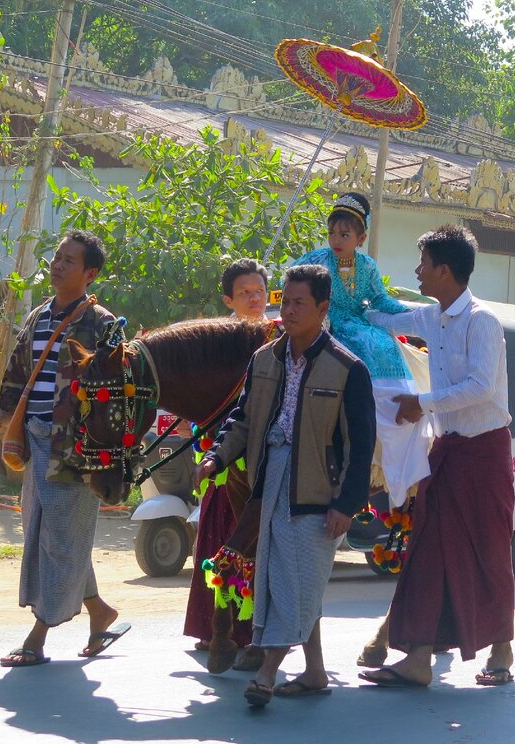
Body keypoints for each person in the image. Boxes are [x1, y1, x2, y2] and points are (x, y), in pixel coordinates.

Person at [196, 264, 375, 706]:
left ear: (323, 308)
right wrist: (217, 455)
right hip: (266, 482)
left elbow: (361, 444)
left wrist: (347, 503)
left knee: (294, 579)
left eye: (299, 303)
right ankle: (314, 672)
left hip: (317, 493)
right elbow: (242, 419)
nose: (288, 311)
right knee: (285, 578)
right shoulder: (264, 360)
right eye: (285, 301)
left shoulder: (348, 369)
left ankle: (267, 672)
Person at [358, 224, 515, 688]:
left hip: (485, 451)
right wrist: (348, 300)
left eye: (423, 264)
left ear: (444, 271)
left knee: (489, 551)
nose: (417, 271)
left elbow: (480, 388)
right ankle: (419, 656)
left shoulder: (482, 321)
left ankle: (501, 651)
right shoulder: (432, 316)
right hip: (445, 450)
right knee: (426, 547)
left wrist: (420, 403)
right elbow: (387, 321)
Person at [0, 231, 130, 666]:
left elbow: (116, 397)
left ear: (90, 273)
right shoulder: (39, 316)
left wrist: (109, 459)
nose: (57, 265)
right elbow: (14, 382)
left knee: (58, 538)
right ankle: (100, 612)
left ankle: (38, 635)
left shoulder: (103, 325)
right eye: (57, 257)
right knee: (50, 533)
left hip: (76, 450)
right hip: (33, 440)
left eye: (68, 260)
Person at [294, 192, 431, 508]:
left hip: (357, 324)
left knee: (380, 342)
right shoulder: (315, 261)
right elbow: (293, 282)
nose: (336, 240)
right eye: (332, 233)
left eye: (344, 234)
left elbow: (379, 300)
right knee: (359, 342)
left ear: (361, 237)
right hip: (327, 324)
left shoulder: (367, 266)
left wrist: (409, 315)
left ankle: (392, 414)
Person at [186, 258, 271, 672]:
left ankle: (249, 632)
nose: (254, 299)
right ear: (228, 300)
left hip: (258, 459)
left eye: (259, 291)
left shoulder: (280, 336)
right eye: (244, 293)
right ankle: (211, 627)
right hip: (220, 452)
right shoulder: (217, 341)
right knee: (217, 535)